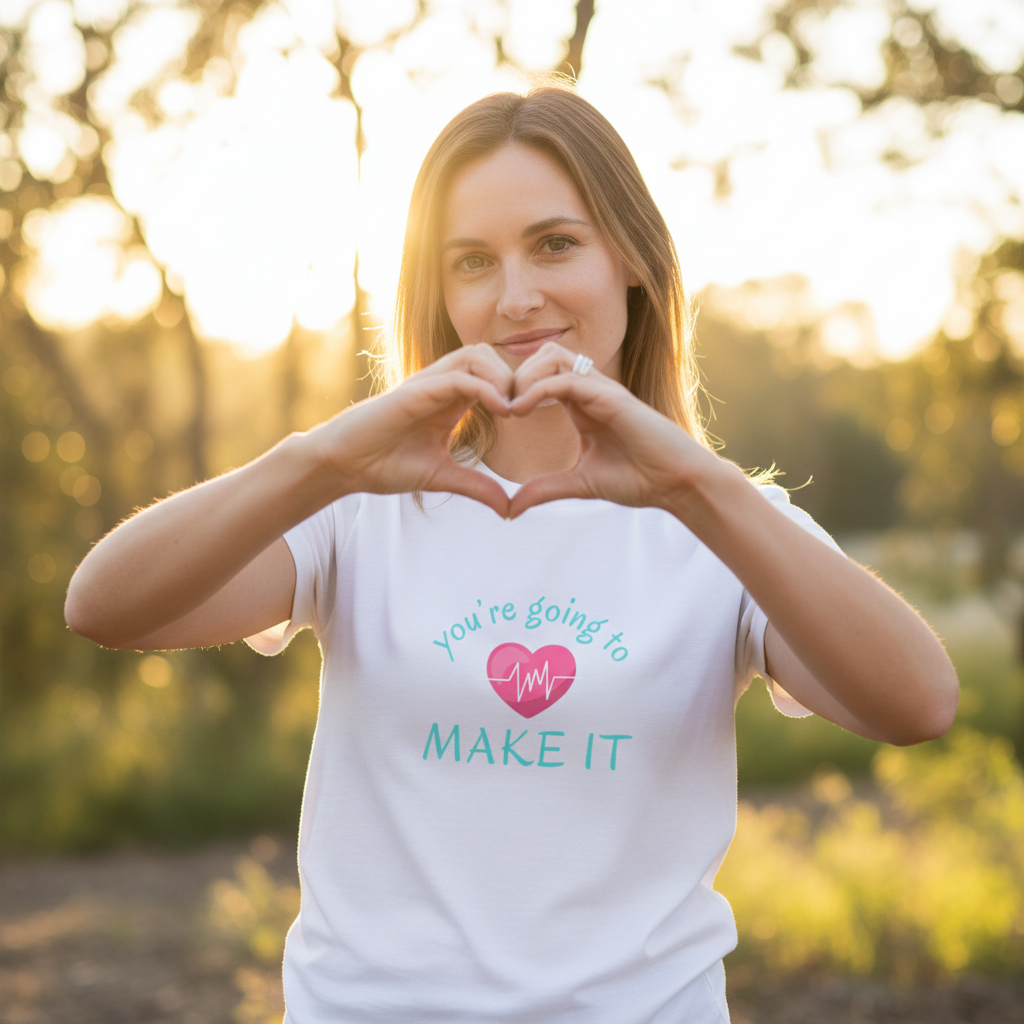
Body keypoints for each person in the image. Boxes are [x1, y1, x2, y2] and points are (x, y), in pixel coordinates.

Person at [65, 84, 959, 1024]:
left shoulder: (725, 520)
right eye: (472, 263)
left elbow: (917, 703)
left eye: (556, 244)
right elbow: (107, 604)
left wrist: (698, 486)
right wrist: (325, 456)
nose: (516, 296)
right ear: (440, 294)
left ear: (635, 262)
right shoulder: (359, 504)